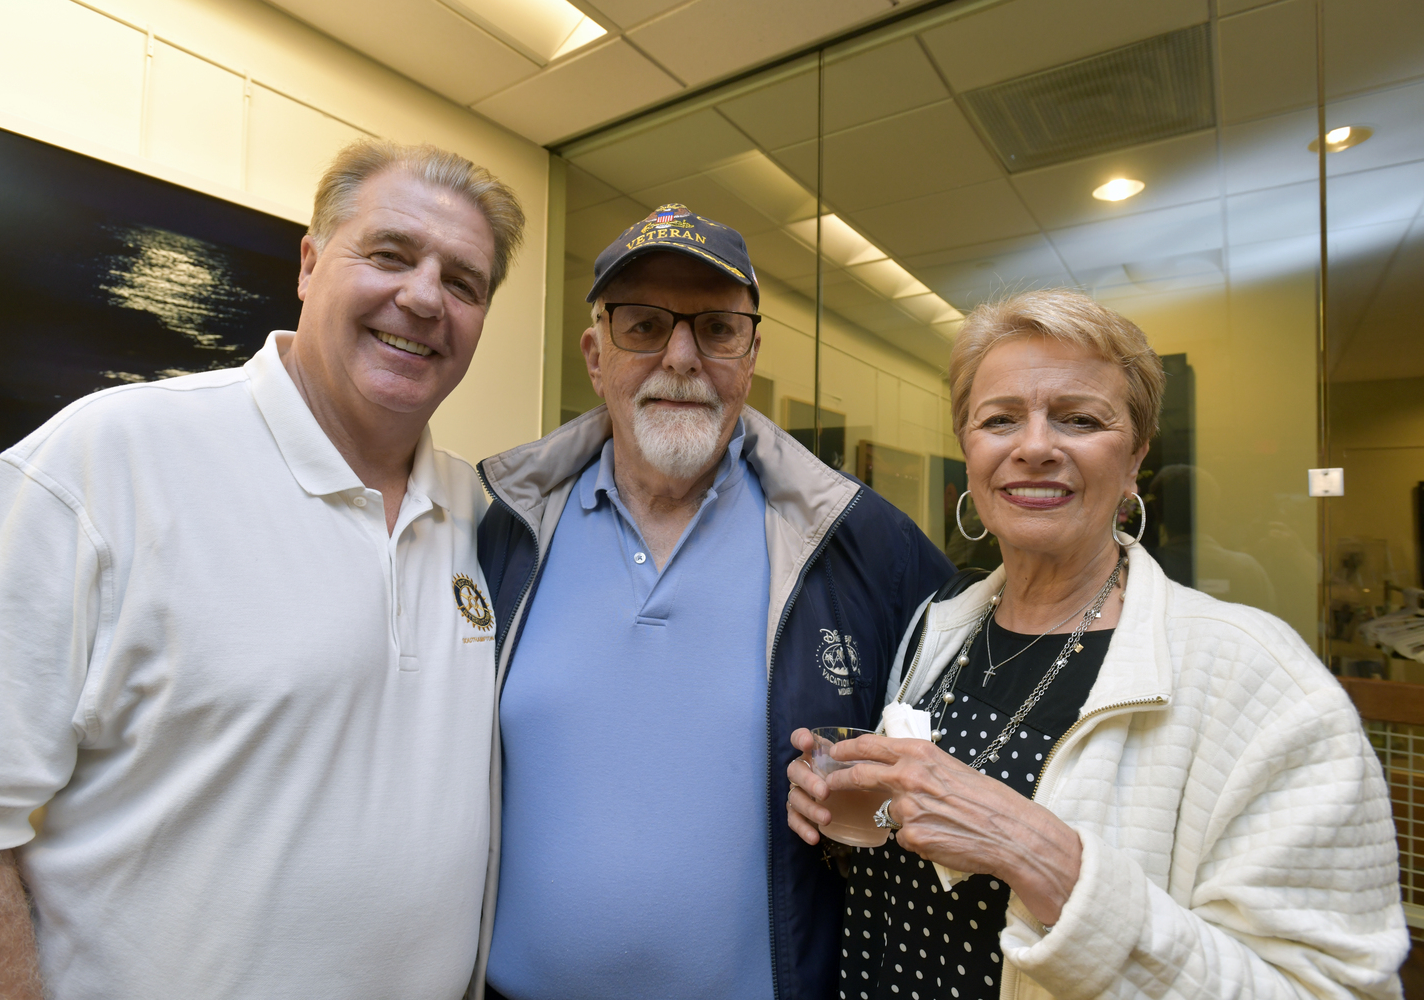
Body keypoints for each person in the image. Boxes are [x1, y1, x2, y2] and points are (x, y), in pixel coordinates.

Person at [0, 138, 524, 999]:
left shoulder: (483, 517)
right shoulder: (103, 461)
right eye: (390, 254)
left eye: (462, 281)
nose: (424, 296)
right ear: (311, 264)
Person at [786, 288, 1409, 1000]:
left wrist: (1042, 859)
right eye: (1000, 419)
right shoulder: (936, 632)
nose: (1035, 447)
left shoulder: (1259, 680)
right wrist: (850, 828)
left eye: (1080, 419)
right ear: (969, 450)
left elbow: (1338, 990)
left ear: (1136, 455)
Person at [472, 203, 955, 1000]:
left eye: (718, 330)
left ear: (752, 354)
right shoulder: (504, 531)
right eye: (643, 325)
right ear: (596, 355)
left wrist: (887, 808)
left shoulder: (853, 540)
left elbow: (972, 714)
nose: (682, 357)